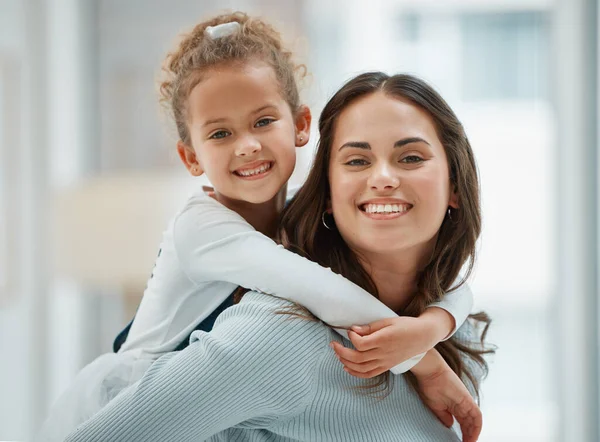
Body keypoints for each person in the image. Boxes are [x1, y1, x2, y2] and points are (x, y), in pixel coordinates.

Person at [63, 71, 493, 442]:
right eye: (357, 161)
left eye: (411, 157)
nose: (382, 178)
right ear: (327, 195)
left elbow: (459, 291)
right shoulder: (278, 337)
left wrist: (431, 331)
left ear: (455, 185)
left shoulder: (457, 332)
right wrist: (425, 359)